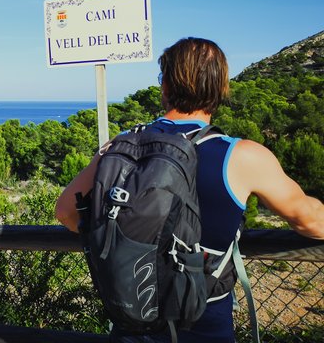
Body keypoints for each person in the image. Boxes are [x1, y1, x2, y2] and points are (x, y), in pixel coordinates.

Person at [55, 37, 324, 342]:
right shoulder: (242, 156)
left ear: (165, 86)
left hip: (132, 316)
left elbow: (66, 212)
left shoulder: (119, 146)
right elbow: (309, 220)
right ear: (221, 89)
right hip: (202, 326)